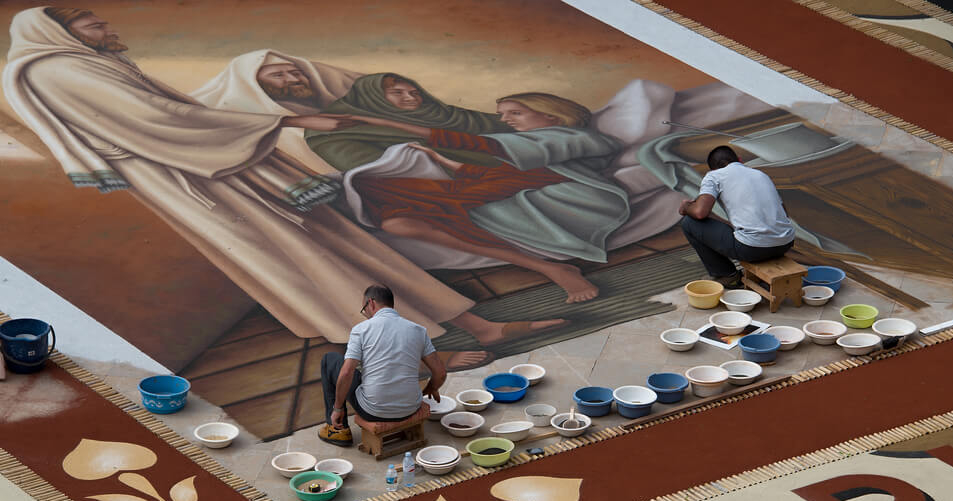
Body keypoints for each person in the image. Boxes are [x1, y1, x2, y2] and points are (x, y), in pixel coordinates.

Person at [3, 8, 563, 372]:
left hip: (221, 167)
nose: (103, 26)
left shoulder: (81, 63)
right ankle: (411, 361)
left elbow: (174, 114)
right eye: (90, 22)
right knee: (313, 268)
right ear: (60, 31)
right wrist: (287, 122)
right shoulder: (59, 71)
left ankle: (479, 324)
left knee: (350, 251)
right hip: (197, 178)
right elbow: (157, 122)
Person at [337, 92, 630, 303]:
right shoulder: (534, 144)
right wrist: (437, 158)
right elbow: (495, 173)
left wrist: (381, 122)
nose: (506, 120)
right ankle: (551, 268)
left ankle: (552, 269)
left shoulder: (577, 137)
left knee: (399, 208)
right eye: (503, 114)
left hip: (568, 192)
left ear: (550, 113)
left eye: (515, 112)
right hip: (507, 186)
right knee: (390, 211)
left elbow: (479, 148)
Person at [190, 49, 362, 174]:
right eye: (278, 75)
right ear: (253, 82)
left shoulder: (316, 106)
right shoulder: (231, 112)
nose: (294, 79)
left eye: (297, 73)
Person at [305, 72, 513, 172]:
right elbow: (377, 168)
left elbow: (497, 123)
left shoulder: (436, 112)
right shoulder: (332, 129)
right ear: (372, 97)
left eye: (415, 92)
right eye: (397, 93)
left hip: (511, 164)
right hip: (444, 184)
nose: (411, 98)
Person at [319, 285, 445, 445]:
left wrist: (337, 408)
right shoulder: (418, 330)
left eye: (364, 309)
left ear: (370, 303)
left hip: (373, 411)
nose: (366, 315)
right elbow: (440, 372)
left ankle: (337, 429)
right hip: (411, 407)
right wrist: (432, 388)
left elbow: (346, 373)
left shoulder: (361, 330)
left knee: (330, 360)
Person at [678, 145, 794, 287]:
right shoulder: (761, 174)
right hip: (786, 243)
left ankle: (728, 276)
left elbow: (700, 212)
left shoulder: (714, 176)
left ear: (714, 168)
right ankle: (768, 258)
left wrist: (686, 207)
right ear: (739, 160)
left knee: (689, 223)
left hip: (752, 249)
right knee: (736, 230)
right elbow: (785, 213)